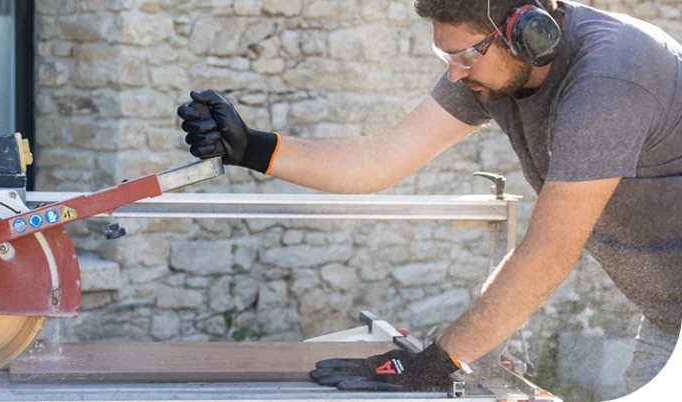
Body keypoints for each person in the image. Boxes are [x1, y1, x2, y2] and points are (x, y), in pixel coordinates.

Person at [177, 0, 682, 398]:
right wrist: (253, 148)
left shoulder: (609, 80)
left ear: (529, 32)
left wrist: (435, 364)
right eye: (446, 58)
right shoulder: (492, 71)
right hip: (668, 318)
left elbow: (549, 254)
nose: (456, 73)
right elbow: (380, 160)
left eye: (465, 56)